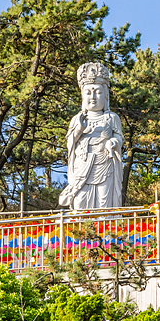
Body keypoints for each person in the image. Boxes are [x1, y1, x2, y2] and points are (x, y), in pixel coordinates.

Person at [58, 62, 124, 211]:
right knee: (81, 200)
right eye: (88, 92)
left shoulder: (111, 118)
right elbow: (70, 143)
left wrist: (113, 142)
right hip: (83, 164)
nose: (93, 97)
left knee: (104, 201)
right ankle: (80, 231)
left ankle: (107, 232)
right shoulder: (77, 119)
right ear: (82, 96)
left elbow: (119, 138)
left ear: (105, 96)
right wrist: (78, 131)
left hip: (104, 164)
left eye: (98, 92)